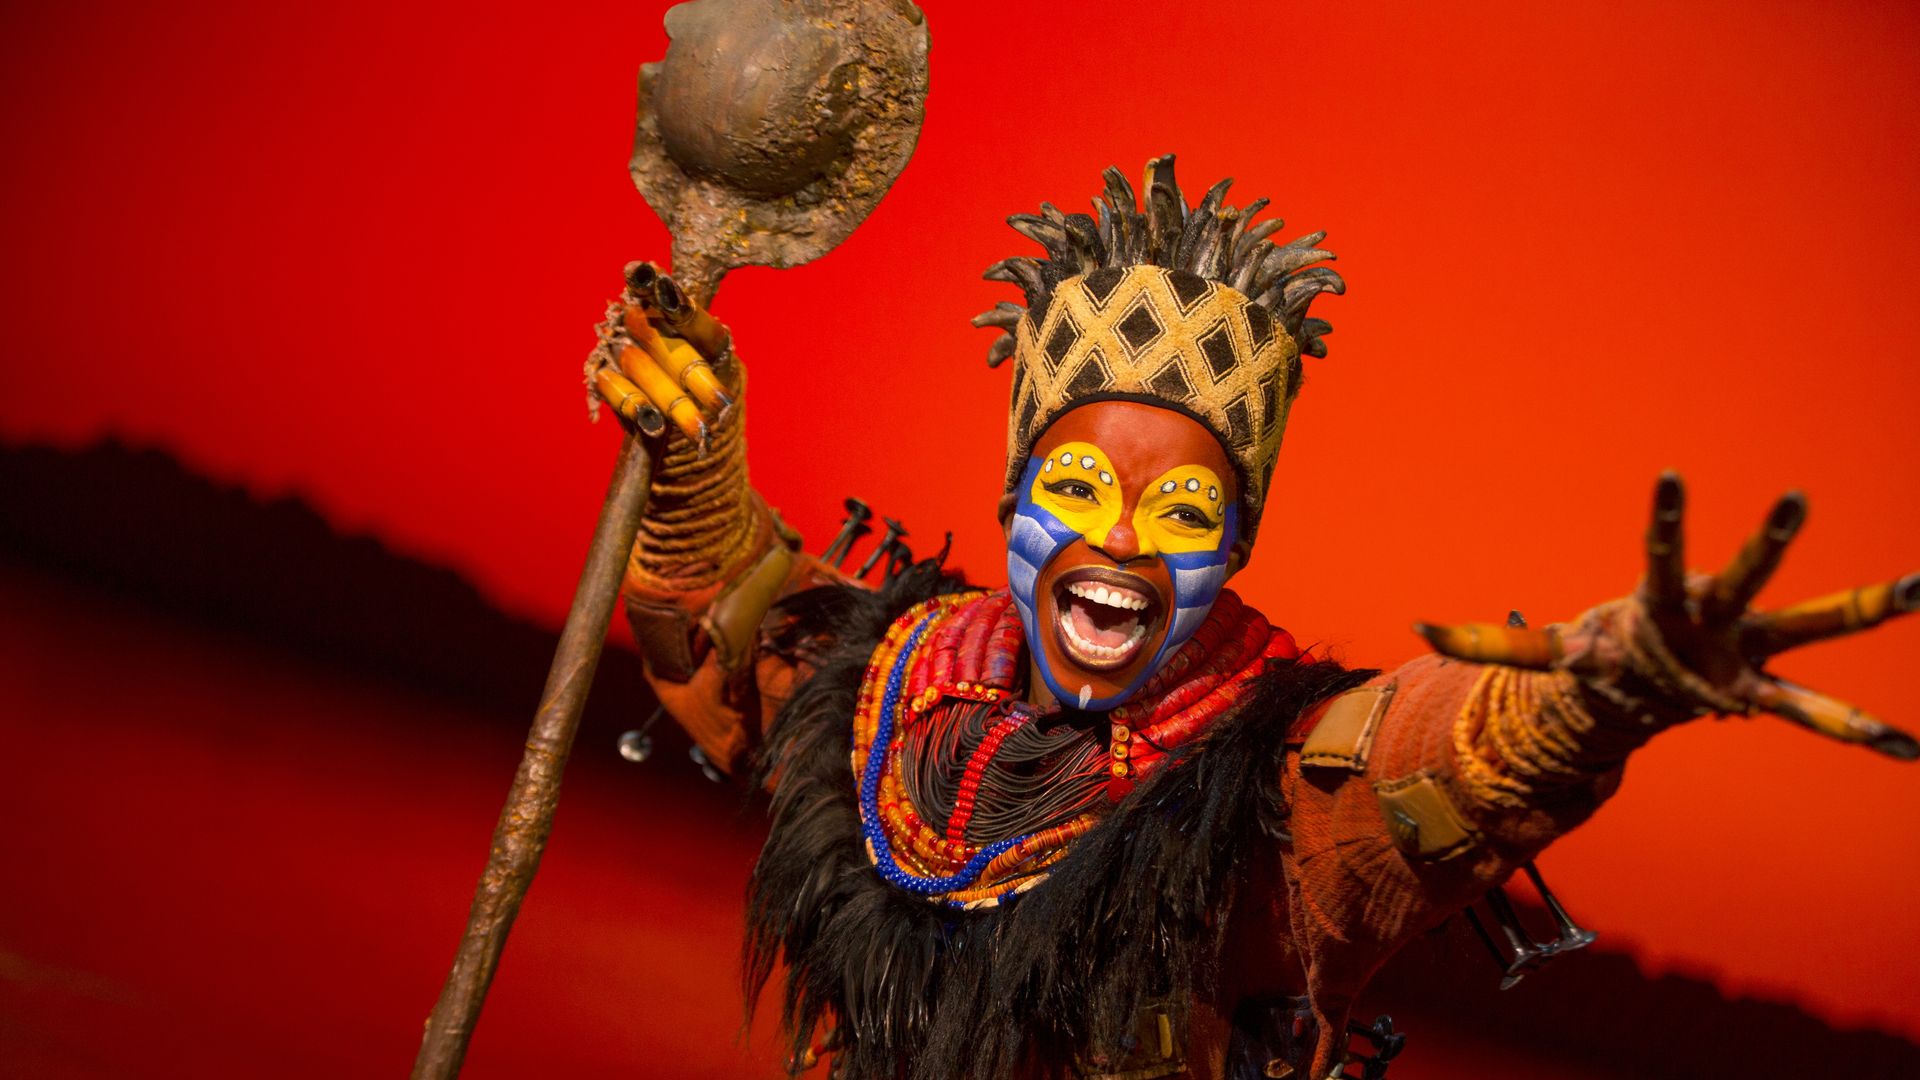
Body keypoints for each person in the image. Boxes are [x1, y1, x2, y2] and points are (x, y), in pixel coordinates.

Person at [584, 155, 1915, 1080]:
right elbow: (733, 647)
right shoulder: (899, 679)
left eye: (1178, 512)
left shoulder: (1257, 782)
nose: (1116, 540)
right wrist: (691, 450)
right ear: (1013, 495)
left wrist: (1604, 689)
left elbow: (1414, 776)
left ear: (1236, 544)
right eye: (1080, 487)